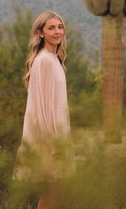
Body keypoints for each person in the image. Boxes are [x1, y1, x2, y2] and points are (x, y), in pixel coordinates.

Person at [12, 11, 76, 209]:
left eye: (60, 27)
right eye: (51, 27)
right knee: (52, 194)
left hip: (58, 136)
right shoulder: (44, 61)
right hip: (49, 140)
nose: (58, 32)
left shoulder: (54, 59)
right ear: (40, 33)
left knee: (56, 194)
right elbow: (42, 109)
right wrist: (55, 145)